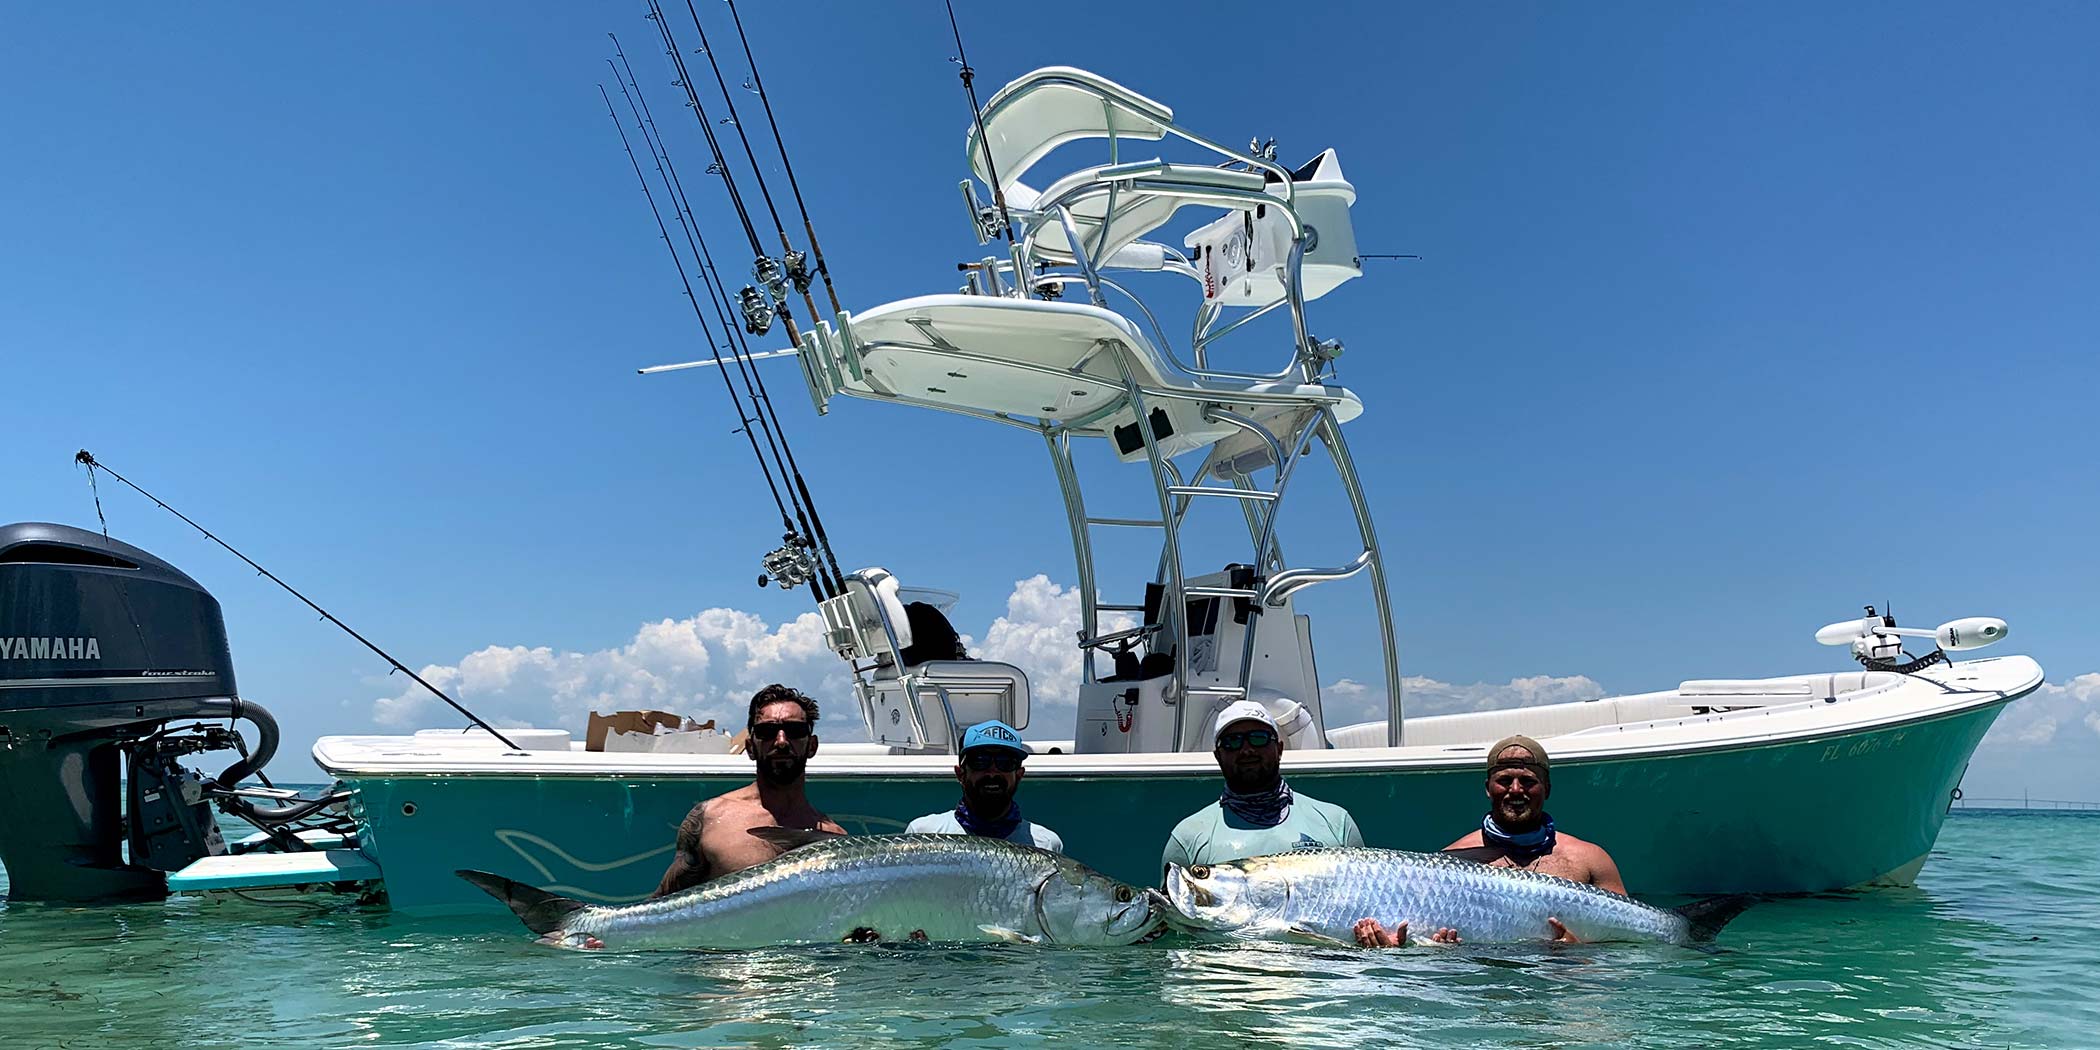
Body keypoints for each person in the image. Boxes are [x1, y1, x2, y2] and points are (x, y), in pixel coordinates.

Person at [1352, 734, 1625, 947]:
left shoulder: (1589, 860)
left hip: (1565, 995)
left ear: (1547, 789)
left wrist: (1580, 955)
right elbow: (1421, 947)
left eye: (1527, 781)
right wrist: (1445, 957)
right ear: (1488, 788)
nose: (1516, 790)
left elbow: (1629, 946)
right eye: (1505, 780)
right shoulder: (1445, 865)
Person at [650, 684, 845, 898]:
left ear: (812, 746)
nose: (781, 741)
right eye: (767, 732)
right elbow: (663, 902)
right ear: (750, 747)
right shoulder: (710, 817)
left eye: (795, 731)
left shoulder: (834, 840)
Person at [1161, 700, 1363, 870]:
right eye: (1233, 741)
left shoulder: (1337, 823)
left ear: (1279, 748)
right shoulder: (1187, 838)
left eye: (1259, 738)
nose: (1247, 750)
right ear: (1218, 756)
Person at [904, 719, 1064, 851]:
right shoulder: (923, 834)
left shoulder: (1047, 844)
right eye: (980, 762)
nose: (992, 773)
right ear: (960, 774)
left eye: (1005, 763)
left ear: (1019, 775)